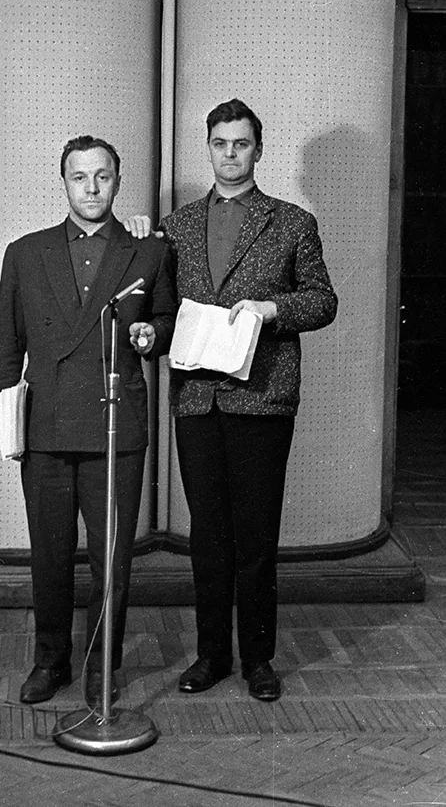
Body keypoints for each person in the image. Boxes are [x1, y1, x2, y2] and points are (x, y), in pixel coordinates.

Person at [126, 98, 337, 701]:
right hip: (197, 400)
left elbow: (323, 300)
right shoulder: (178, 226)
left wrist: (271, 309)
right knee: (208, 537)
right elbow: (162, 307)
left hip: (262, 399)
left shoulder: (292, 222)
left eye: (241, 144)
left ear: (258, 150)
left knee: (257, 537)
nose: (230, 154)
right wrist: (136, 240)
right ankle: (212, 654)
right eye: (220, 143)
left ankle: (259, 660)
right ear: (209, 148)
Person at [0, 135, 177, 707]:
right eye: (80, 177)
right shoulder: (25, 252)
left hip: (115, 425)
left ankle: (102, 667)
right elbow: (7, 346)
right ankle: (50, 661)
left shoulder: (147, 251)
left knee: (112, 559)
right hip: (46, 426)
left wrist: (151, 335)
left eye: (103, 176)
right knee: (48, 554)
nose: (92, 188)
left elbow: (167, 320)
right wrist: (7, 420)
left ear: (117, 181)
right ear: (64, 182)